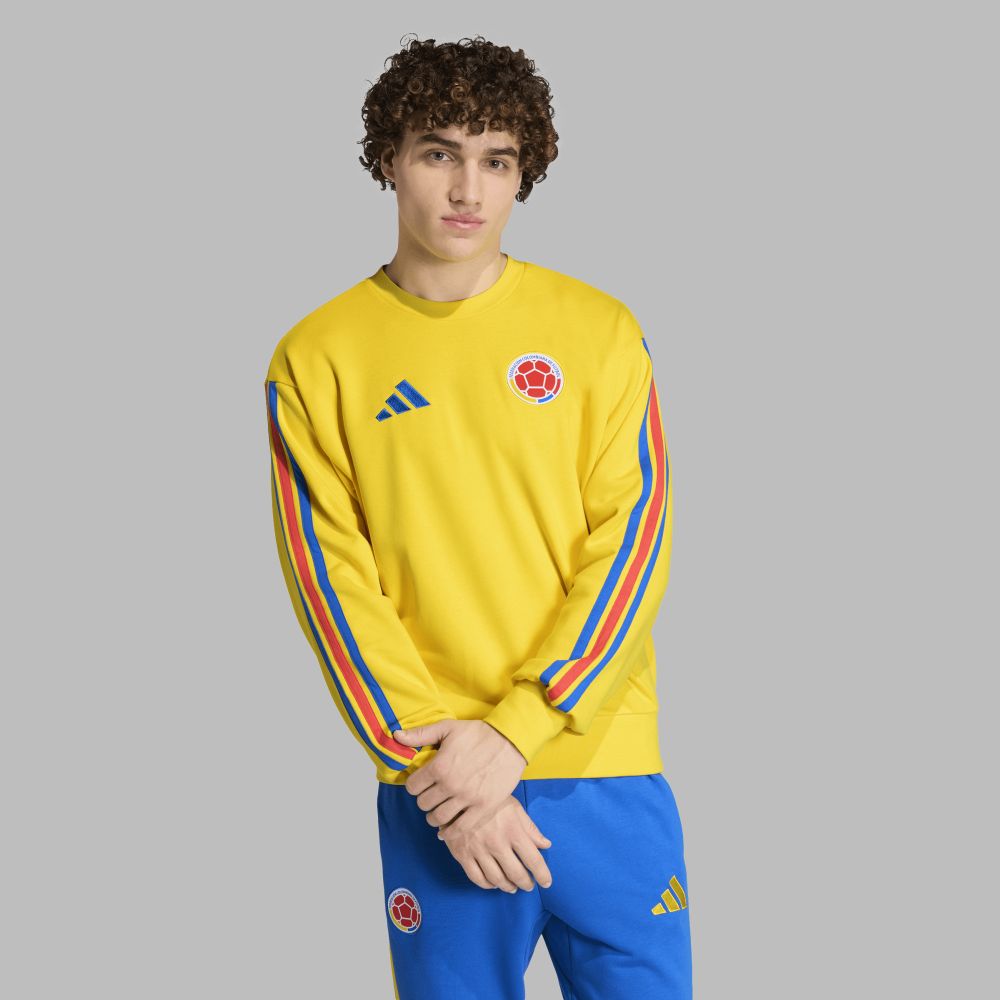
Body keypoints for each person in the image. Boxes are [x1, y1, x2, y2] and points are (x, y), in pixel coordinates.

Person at [263, 33, 692, 1000]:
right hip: (437, 785)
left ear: (523, 174)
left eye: (497, 161)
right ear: (389, 159)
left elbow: (633, 547)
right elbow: (331, 587)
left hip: (601, 767)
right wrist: (450, 776)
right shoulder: (317, 357)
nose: (467, 190)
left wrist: (518, 734)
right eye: (438, 152)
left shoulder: (600, 331)